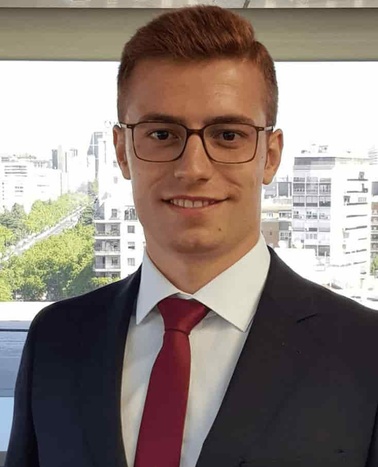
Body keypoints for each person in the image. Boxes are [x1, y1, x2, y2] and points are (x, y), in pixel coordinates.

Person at [5, 6, 378, 467]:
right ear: (122, 152)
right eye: (162, 133)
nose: (193, 168)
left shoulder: (366, 352)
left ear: (270, 156)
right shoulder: (55, 341)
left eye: (227, 135)